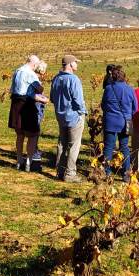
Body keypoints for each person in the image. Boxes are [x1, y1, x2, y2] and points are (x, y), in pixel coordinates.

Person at [50, 54, 87, 183]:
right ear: (70, 64)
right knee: (74, 145)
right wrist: (83, 112)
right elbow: (78, 100)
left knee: (62, 144)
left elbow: (52, 98)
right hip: (74, 116)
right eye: (75, 62)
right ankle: (70, 173)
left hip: (60, 116)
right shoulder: (74, 80)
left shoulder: (56, 78)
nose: (77, 65)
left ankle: (59, 171)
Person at [101, 65, 137, 179]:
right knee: (125, 147)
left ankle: (107, 173)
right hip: (126, 121)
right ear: (124, 77)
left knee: (108, 147)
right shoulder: (130, 89)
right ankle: (126, 174)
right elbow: (135, 107)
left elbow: (103, 105)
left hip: (110, 121)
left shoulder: (108, 89)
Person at [9, 54, 41, 170]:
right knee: (33, 134)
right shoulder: (31, 74)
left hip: (16, 104)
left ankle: (18, 160)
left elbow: (12, 89)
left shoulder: (17, 71)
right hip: (27, 105)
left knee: (20, 134)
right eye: (36, 65)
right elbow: (39, 89)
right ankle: (28, 162)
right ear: (34, 64)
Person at [19, 60, 49, 172]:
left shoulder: (31, 78)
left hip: (30, 109)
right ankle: (31, 159)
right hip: (34, 110)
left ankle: (26, 157)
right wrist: (43, 99)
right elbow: (34, 95)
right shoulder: (35, 80)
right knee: (33, 134)